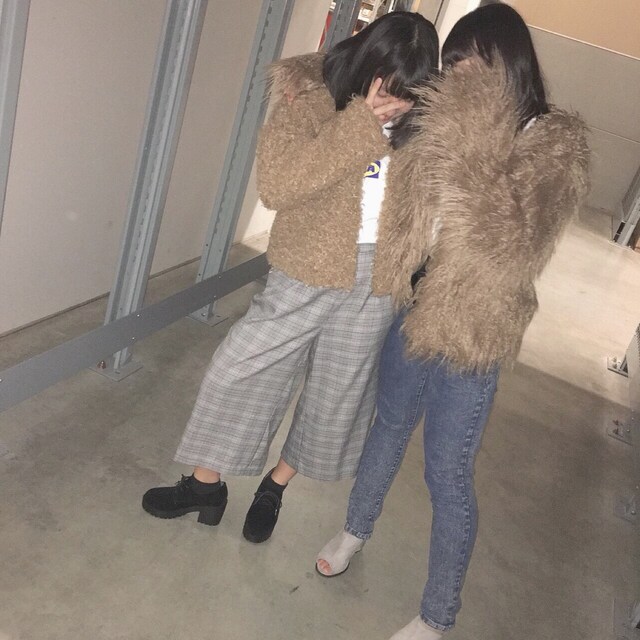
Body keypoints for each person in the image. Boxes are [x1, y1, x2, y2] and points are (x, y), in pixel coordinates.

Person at [316, 4, 590, 639]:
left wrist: (473, 129)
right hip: (414, 309)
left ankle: (437, 615)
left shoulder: (554, 141)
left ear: (507, 64)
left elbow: (511, 239)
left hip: (473, 333)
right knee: (387, 428)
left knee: (447, 471)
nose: (458, 75)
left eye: (472, 63)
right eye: (454, 63)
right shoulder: (443, 119)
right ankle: (355, 528)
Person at [141, 12, 440, 544]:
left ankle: (275, 486)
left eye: (409, 93)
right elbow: (278, 185)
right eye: (389, 89)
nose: (397, 103)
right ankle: (206, 486)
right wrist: (360, 124)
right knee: (237, 371)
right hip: (306, 267)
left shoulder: (425, 126)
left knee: (335, 397)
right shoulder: (311, 98)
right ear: (367, 65)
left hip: (377, 282)